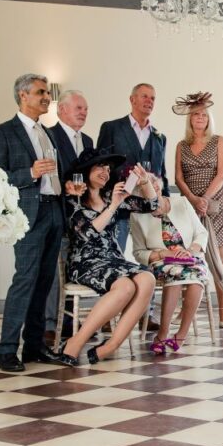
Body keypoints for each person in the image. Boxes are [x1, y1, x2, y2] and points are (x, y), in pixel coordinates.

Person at [0, 73, 68, 372]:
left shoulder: (48, 133)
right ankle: (7, 350)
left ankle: (34, 346)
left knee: (44, 283)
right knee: (25, 280)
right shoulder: (2, 132)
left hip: (54, 212)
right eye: (41, 92)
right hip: (28, 216)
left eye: (47, 92)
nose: (47, 97)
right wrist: (30, 173)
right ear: (23, 95)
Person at [57, 150, 158, 365]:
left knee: (147, 278)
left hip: (113, 260)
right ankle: (75, 343)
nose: (105, 171)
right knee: (125, 287)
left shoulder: (110, 195)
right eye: (99, 167)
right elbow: (88, 234)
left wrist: (145, 182)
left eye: (108, 168)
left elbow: (153, 206)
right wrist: (114, 205)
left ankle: (111, 345)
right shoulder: (73, 199)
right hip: (85, 262)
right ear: (86, 171)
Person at [173, 91, 223, 328]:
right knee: (188, 256)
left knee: (219, 256)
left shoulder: (219, 141)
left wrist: (205, 199)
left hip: (216, 204)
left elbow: (222, 174)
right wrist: (193, 199)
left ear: (209, 118)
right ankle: (186, 310)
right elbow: (178, 177)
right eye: (195, 114)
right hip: (189, 207)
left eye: (204, 114)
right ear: (189, 119)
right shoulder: (181, 145)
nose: (200, 118)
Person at [131, 195, 209, 355]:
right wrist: (162, 254)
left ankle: (181, 334)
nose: (153, 189)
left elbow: (201, 233)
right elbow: (139, 253)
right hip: (162, 261)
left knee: (197, 275)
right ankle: (163, 333)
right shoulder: (137, 215)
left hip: (190, 256)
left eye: (155, 184)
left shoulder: (182, 202)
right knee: (175, 273)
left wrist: (190, 251)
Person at [46, 89, 94, 343]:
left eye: (86, 109)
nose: (84, 113)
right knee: (56, 271)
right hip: (57, 212)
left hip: (83, 216)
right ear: (62, 110)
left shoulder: (87, 140)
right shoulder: (48, 135)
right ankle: (50, 324)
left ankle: (71, 322)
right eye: (79, 108)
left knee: (77, 267)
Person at [97, 82, 170, 251]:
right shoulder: (112, 128)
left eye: (153, 98)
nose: (149, 101)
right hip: (120, 208)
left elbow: (162, 173)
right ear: (132, 99)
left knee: (150, 260)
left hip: (150, 210)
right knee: (116, 256)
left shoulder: (160, 137)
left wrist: (164, 203)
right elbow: (100, 166)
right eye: (144, 96)